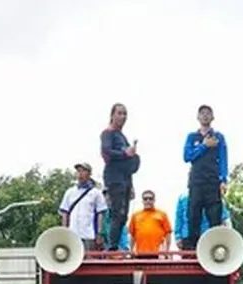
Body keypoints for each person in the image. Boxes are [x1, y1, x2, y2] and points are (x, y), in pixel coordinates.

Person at [181, 104, 228, 251]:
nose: (205, 116)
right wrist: (204, 145)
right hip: (196, 181)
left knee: (215, 215)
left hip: (213, 181)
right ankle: (192, 247)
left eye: (208, 113)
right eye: (202, 113)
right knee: (193, 213)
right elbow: (187, 156)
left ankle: (215, 246)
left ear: (213, 117)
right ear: (198, 117)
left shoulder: (218, 137)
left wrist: (223, 180)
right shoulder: (192, 137)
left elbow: (223, 159)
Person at [101, 103, 139, 250]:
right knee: (118, 212)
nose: (122, 117)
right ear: (112, 115)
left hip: (125, 178)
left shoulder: (122, 136)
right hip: (114, 178)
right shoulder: (107, 133)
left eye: (125, 114)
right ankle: (112, 246)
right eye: (119, 113)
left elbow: (129, 161)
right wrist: (125, 153)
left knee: (123, 215)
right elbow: (106, 151)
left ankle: (115, 244)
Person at [59, 162, 109, 251]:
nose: (80, 174)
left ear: (89, 174)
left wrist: (99, 233)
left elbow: (100, 214)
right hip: (73, 234)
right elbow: (65, 213)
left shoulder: (96, 193)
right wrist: (64, 232)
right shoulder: (70, 192)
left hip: (89, 235)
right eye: (78, 171)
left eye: (83, 171)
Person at [129, 190, 172, 255]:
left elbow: (168, 233)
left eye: (150, 198)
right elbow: (132, 235)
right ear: (142, 201)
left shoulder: (162, 214)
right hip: (140, 253)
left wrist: (167, 250)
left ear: (154, 200)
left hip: (158, 254)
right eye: (145, 199)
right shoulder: (135, 215)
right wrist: (131, 250)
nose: (148, 201)